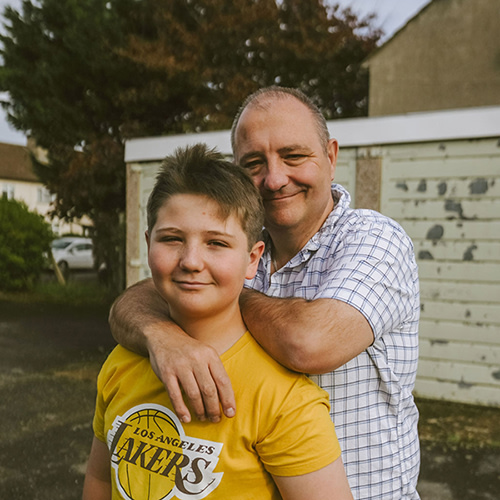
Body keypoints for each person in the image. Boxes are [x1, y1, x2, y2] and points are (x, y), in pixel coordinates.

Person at [109, 87, 421, 499]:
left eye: (293, 156)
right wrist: (162, 336)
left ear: (330, 155)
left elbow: (309, 343)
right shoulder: (232, 248)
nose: (274, 179)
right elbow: (127, 305)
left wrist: (221, 291)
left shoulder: (375, 238)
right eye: (254, 163)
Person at [83, 143, 353, 500]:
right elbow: (101, 480)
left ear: (252, 258)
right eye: (172, 239)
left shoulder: (284, 401)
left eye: (216, 243)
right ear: (148, 245)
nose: (191, 260)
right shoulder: (121, 363)